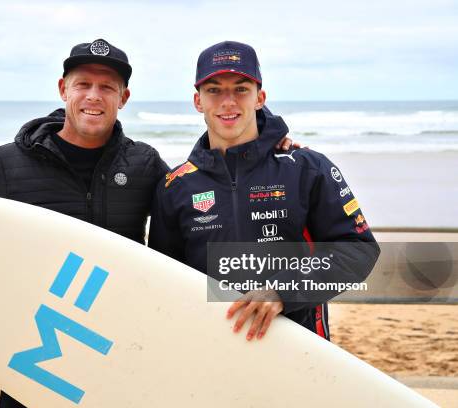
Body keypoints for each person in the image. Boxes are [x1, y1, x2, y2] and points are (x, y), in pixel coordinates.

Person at [0, 39, 297, 407]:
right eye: (83, 84)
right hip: (30, 348)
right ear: (64, 89)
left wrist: (265, 144)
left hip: (112, 347)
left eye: (107, 87)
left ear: (124, 97)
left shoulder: (144, 163)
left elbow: (199, 200)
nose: (94, 96)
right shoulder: (8, 162)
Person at [149, 40, 380, 342]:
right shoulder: (176, 186)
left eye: (241, 89)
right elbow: (163, 279)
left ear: (260, 98)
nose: (228, 101)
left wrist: (282, 291)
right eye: (214, 90)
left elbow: (358, 250)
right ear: (198, 101)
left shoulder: (305, 167)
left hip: (298, 348)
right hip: (210, 350)